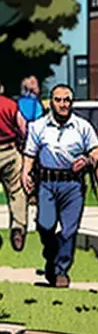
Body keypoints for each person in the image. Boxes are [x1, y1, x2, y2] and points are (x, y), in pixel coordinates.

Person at [21, 85, 98, 288]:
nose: (63, 104)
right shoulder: (38, 126)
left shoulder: (83, 127)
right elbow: (29, 156)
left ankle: (61, 270)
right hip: (47, 182)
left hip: (73, 185)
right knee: (45, 225)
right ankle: (51, 255)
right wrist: (25, 174)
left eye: (67, 100)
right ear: (51, 102)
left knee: (69, 231)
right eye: (59, 100)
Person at [0, 84, 28, 250]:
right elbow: (22, 126)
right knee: (17, 190)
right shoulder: (10, 105)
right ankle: (18, 226)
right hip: (9, 151)